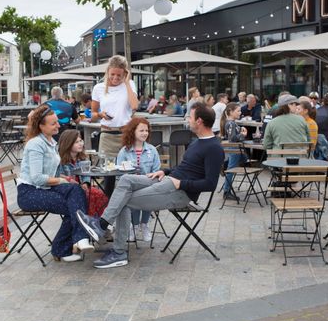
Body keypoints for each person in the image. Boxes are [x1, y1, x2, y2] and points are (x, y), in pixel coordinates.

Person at [76, 103, 224, 269]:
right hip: (168, 181)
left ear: (199, 121)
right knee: (126, 180)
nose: (187, 119)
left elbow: (211, 184)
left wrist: (181, 183)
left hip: (180, 192)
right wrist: (165, 172)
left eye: (190, 117)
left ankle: (117, 249)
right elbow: (186, 169)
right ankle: (101, 227)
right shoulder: (197, 142)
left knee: (122, 200)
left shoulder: (214, 148)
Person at [17, 105, 93, 262]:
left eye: (57, 122)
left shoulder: (51, 142)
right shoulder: (35, 144)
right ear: (41, 126)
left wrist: (65, 178)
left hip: (45, 188)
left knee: (76, 191)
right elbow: (37, 178)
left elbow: (53, 173)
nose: (58, 125)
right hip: (29, 192)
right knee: (75, 206)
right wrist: (61, 180)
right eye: (53, 124)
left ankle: (78, 239)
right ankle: (63, 248)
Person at [116, 117, 161, 242]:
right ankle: (134, 226)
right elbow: (119, 172)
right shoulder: (124, 151)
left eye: (146, 130)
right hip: (131, 186)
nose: (145, 133)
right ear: (133, 131)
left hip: (148, 184)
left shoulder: (152, 150)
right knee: (133, 196)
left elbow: (157, 170)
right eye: (141, 130)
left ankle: (144, 225)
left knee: (147, 195)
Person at [91, 55, 139, 157]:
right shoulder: (98, 88)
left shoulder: (130, 84)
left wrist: (126, 83)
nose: (115, 78)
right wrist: (100, 114)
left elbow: (134, 106)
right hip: (107, 135)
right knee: (106, 168)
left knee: (128, 168)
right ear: (107, 71)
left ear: (125, 74)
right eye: (112, 74)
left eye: (119, 75)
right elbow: (93, 114)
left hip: (126, 134)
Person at [57, 130, 109, 218]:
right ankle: (88, 221)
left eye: (81, 141)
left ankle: (98, 221)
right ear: (68, 143)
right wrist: (69, 180)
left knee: (101, 195)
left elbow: (86, 173)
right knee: (92, 195)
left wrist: (86, 183)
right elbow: (57, 175)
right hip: (68, 189)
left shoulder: (82, 157)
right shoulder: (60, 159)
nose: (80, 144)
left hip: (82, 186)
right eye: (76, 142)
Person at [220, 102, 248, 201]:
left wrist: (240, 129)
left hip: (237, 149)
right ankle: (226, 191)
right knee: (232, 169)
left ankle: (224, 165)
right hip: (235, 148)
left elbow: (233, 132)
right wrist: (242, 135)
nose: (240, 113)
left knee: (244, 160)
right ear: (231, 112)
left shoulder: (232, 122)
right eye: (238, 111)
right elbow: (232, 138)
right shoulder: (231, 123)